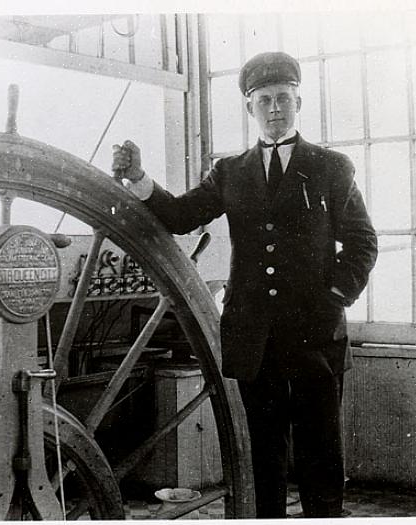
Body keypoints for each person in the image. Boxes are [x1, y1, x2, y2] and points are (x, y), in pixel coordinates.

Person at [112, 51, 377, 518]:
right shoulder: (229, 172)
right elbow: (180, 215)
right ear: (250, 108)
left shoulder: (332, 168)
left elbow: (362, 243)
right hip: (255, 339)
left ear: (298, 102)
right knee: (264, 456)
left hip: (316, 336)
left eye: (283, 99)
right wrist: (138, 178)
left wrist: (334, 298)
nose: (275, 108)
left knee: (320, 454)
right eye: (265, 100)